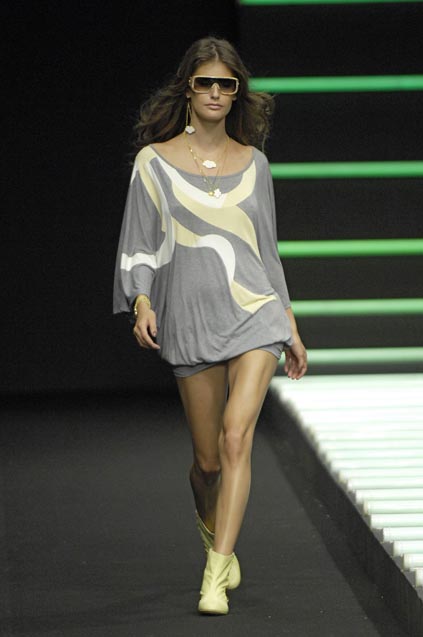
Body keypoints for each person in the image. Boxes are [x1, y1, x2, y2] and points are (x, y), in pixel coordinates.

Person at [113, 36, 307, 615]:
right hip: (192, 319)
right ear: (188, 89)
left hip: (255, 314)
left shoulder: (255, 164)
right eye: (206, 82)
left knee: (236, 436)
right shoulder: (154, 162)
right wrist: (142, 301)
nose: (217, 92)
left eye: (227, 83)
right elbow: (138, 243)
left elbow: (268, 253)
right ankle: (214, 536)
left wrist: (290, 326)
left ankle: (216, 575)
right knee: (207, 465)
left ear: (237, 92)